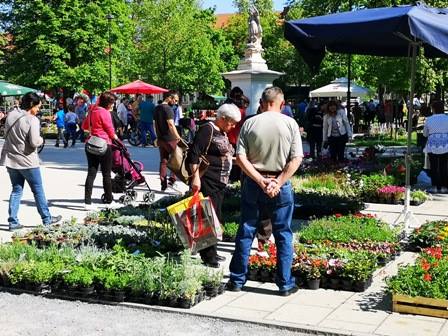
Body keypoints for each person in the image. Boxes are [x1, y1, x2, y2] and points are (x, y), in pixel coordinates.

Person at [227, 87, 303, 296]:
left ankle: (236, 280)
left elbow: (240, 158)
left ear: (261, 102)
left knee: (246, 230)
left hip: (253, 182)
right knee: (283, 234)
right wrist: (277, 182)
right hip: (280, 182)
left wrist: (260, 180)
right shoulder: (290, 124)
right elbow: (297, 158)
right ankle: (285, 284)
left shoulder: (250, 123)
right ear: (282, 103)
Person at [186, 103, 241, 268]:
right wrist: (195, 178)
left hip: (219, 182)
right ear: (222, 118)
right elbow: (194, 154)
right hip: (208, 180)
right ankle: (208, 256)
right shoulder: (207, 129)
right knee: (208, 217)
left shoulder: (221, 131)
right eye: (231, 123)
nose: (232, 127)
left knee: (215, 216)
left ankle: (212, 252)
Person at [0, 92, 62, 230]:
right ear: (31, 105)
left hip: (11, 160)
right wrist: (41, 139)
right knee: (38, 190)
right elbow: (34, 142)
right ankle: (47, 218)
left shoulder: (11, 115)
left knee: (16, 190)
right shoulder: (32, 120)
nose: (38, 110)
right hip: (28, 161)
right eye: (37, 107)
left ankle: (13, 221)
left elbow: (5, 134)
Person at [82, 92, 119, 208]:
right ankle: (109, 199)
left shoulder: (92, 110)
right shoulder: (105, 113)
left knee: (91, 173)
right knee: (106, 174)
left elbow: (84, 126)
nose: (113, 105)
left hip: (91, 143)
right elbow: (110, 130)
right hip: (104, 144)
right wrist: (117, 138)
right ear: (107, 103)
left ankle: (87, 202)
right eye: (112, 103)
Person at [153, 91, 182, 191]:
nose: (175, 102)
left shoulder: (157, 108)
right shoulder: (168, 109)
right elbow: (171, 124)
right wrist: (178, 136)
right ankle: (172, 180)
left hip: (161, 139)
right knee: (177, 159)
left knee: (163, 161)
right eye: (175, 100)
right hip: (170, 139)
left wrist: (157, 137)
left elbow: (155, 124)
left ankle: (163, 184)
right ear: (170, 98)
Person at [423, 101, 448, 193]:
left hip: (432, 145)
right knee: (444, 166)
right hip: (445, 144)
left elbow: (425, 134)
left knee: (433, 166)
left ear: (433, 109)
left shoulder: (428, 119)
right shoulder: (447, 118)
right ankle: (444, 186)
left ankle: (434, 186)